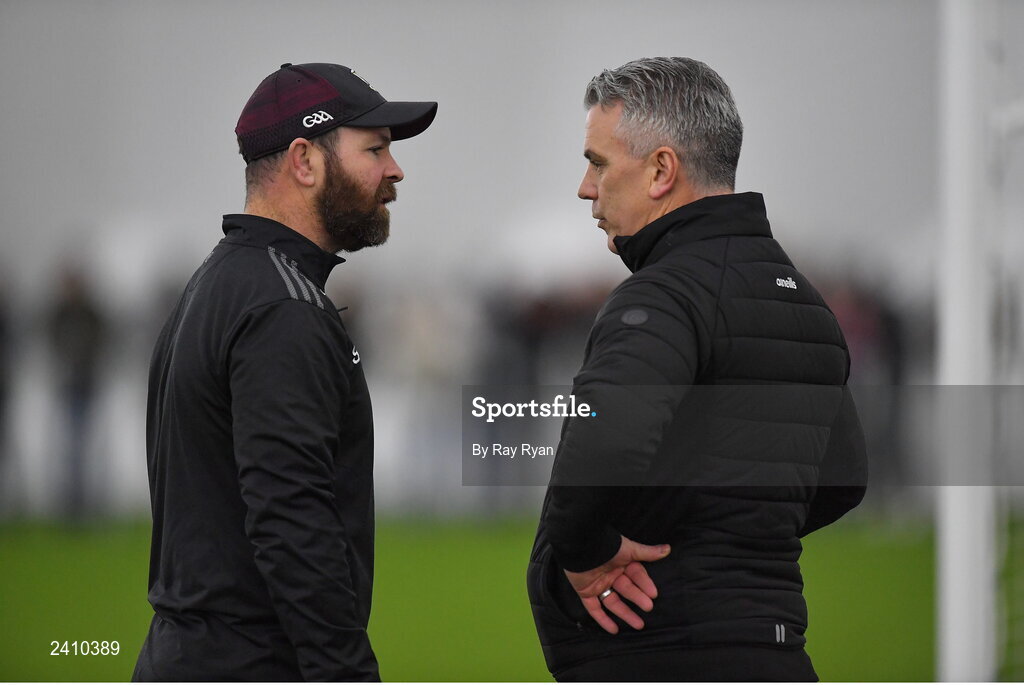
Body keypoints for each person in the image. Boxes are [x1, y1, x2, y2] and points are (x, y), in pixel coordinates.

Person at [527, 57, 867, 682]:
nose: (585, 186)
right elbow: (843, 480)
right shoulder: (804, 301)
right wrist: (734, 534)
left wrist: (588, 551)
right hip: (776, 651)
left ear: (661, 170)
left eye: (598, 162)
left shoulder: (665, 294)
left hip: (662, 649)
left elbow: (602, 445)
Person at [133, 63, 436, 681]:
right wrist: (345, 671)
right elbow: (291, 516)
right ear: (305, 160)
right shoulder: (282, 309)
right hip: (253, 662)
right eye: (374, 149)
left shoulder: (218, 284)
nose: (395, 170)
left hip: (187, 655)